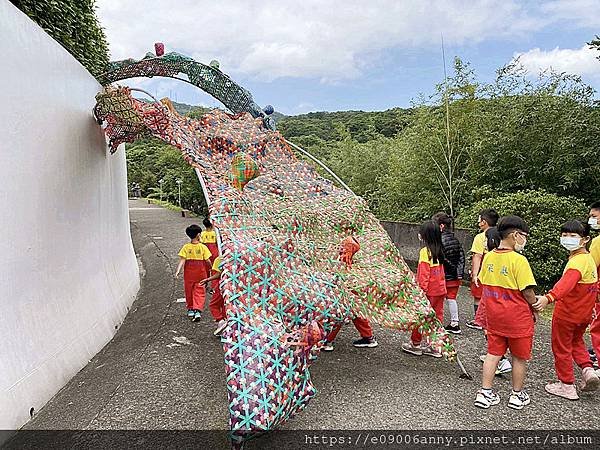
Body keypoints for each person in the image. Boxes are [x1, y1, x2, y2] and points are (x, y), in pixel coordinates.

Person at [474, 215, 537, 410]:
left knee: (493, 354)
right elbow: (527, 291)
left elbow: (484, 283)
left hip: (494, 317)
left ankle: (485, 393)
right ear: (515, 235)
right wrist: (535, 304)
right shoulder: (519, 260)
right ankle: (517, 395)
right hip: (517, 319)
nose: (524, 240)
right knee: (519, 357)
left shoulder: (490, 256)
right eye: (524, 236)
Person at [534, 220, 599, 399]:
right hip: (584, 314)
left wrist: (549, 298)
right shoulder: (589, 260)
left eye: (573, 236)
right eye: (564, 235)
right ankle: (588, 370)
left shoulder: (576, 262)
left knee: (561, 348)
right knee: (577, 342)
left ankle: (567, 385)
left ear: (585, 239)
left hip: (567, 314)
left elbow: (566, 284)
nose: (567, 239)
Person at [323, 233, 378, 351]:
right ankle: (368, 337)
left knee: (338, 314)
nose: (341, 248)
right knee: (358, 314)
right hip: (354, 294)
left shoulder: (343, 263)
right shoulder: (355, 262)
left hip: (344, 294)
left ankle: (327, 341)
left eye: (344, 246)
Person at [401, 220, 446, 358]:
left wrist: (420, 291)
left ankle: (415, 344)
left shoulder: (425, 252)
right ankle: (435, 346)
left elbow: (424, 275)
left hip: (428, 292)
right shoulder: (439, 250)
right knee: (436, 318)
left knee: (421, 318)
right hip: (440, 290)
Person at [475, 227, 513, 376]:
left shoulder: (491, 257)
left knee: (490, 331)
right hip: (503, 302)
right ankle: (497, 356)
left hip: (490, 300)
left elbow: (483, 278)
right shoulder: (509, 257)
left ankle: (500, 359)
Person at [432, 212, 465, 334]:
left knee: (438, 300)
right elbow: (462, 256)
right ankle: (455, 322)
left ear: (441, 226)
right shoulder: (455, 239)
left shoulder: (439, 240)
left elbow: (442, 259)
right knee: (452, 299)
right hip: (456, 276)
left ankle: (435, 321)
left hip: (445, 276)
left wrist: (451, 269)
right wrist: (459, 272)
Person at [467, 209, 499, 330]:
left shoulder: (480, 237)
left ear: (484, 222)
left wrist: (475, 275)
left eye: (479, 220)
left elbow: (477, 256)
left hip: (484, 268)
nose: (478, 222)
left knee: (478, 295)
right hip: (497, 269)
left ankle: (479, 320)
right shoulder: (501, 234)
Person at [175, 224, 212, 322]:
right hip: (201, 272)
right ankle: (198, 310)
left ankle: (190, 308)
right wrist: (211, 268)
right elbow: (207, 260)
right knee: (200, 291)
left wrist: (178, 271)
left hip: (189, 273)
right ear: (199, 234)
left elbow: (182, 260)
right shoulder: (203, 247)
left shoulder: (186, 247)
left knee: (189, 290)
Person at [200, 255, 227, 336]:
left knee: (213, 305)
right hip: (232, 286)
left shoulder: (220, 259)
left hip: (221, 285)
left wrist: (207, 279)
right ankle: (227, 322)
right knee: (225, 305)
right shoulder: (236, 258)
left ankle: (221, 321)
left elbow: (218, 274)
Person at [587, 201, 600, 375]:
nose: (590, 220)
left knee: (597, 327)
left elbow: (589, 268)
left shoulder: (597, 242)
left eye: (594, 216)